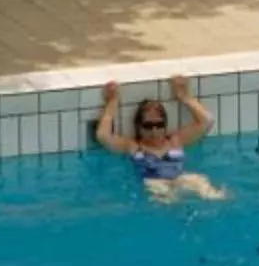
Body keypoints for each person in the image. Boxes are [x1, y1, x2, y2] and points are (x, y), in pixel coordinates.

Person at [95, 76, 223, 199]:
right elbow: (103, 136)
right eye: (148, 126)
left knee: (201, 183)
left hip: (179, 178)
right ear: (139, 127)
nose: (154, 131)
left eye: (159, 125)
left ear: (165, 125)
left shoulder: (175, 141)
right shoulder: (134, 146)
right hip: (154, 182)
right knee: (164, 196)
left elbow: (207, 121)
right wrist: (113, 101)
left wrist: (184, 95)